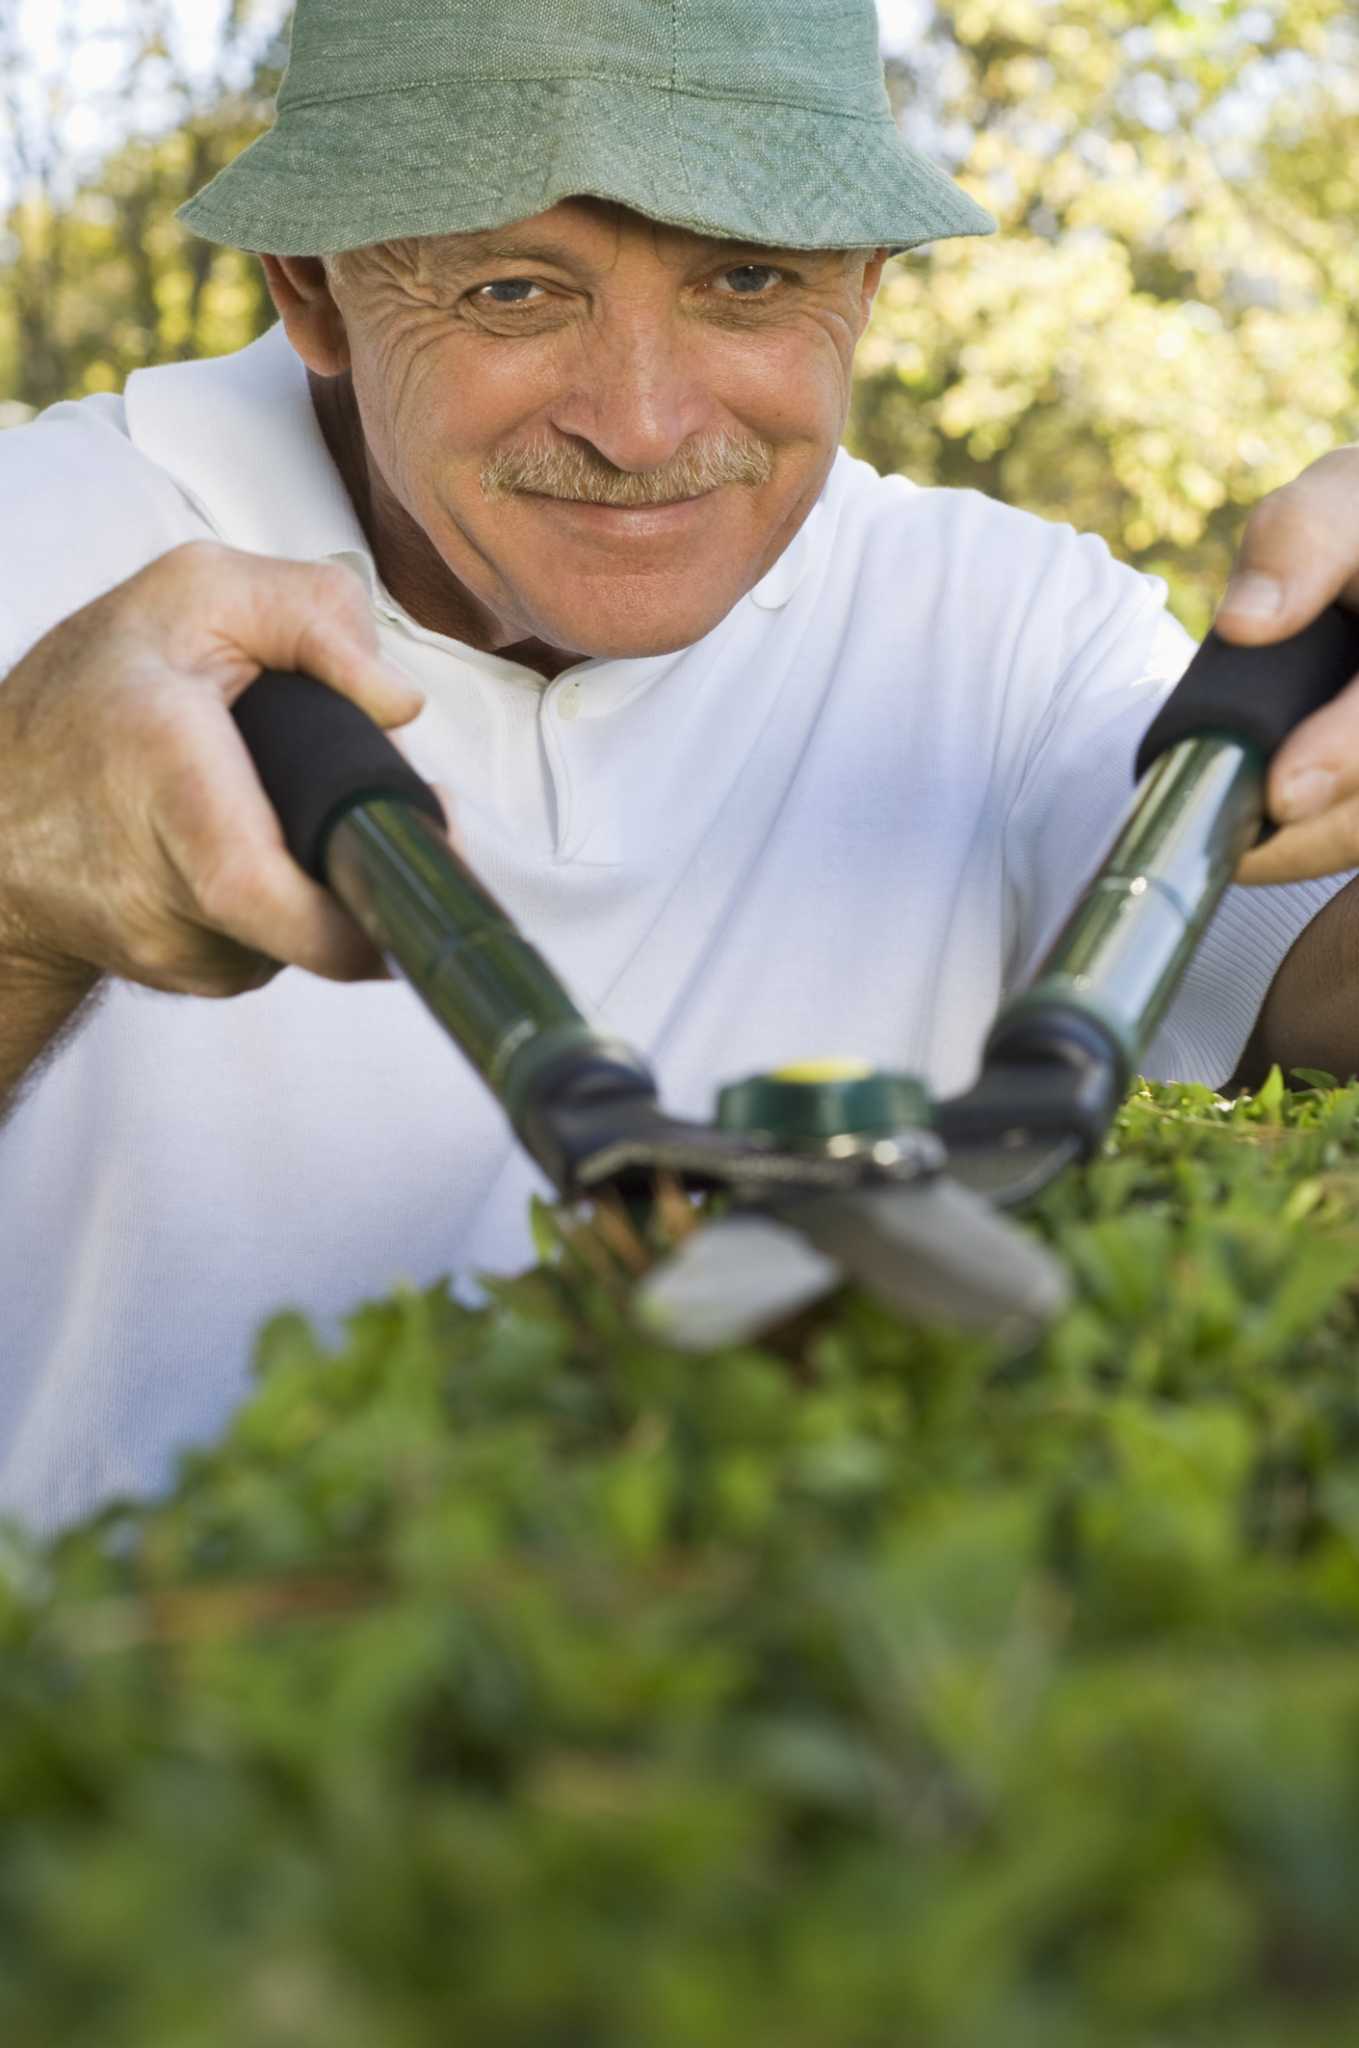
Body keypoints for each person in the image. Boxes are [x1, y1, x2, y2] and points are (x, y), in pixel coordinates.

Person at [1, 0, 1357, 1534]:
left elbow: (1320, 969)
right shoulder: (27, 549)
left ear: (865, 280)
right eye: (514, 290)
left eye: (750, 278)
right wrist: (15, 894)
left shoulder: (1002, 622)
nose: (643, 426)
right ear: (313, 288)